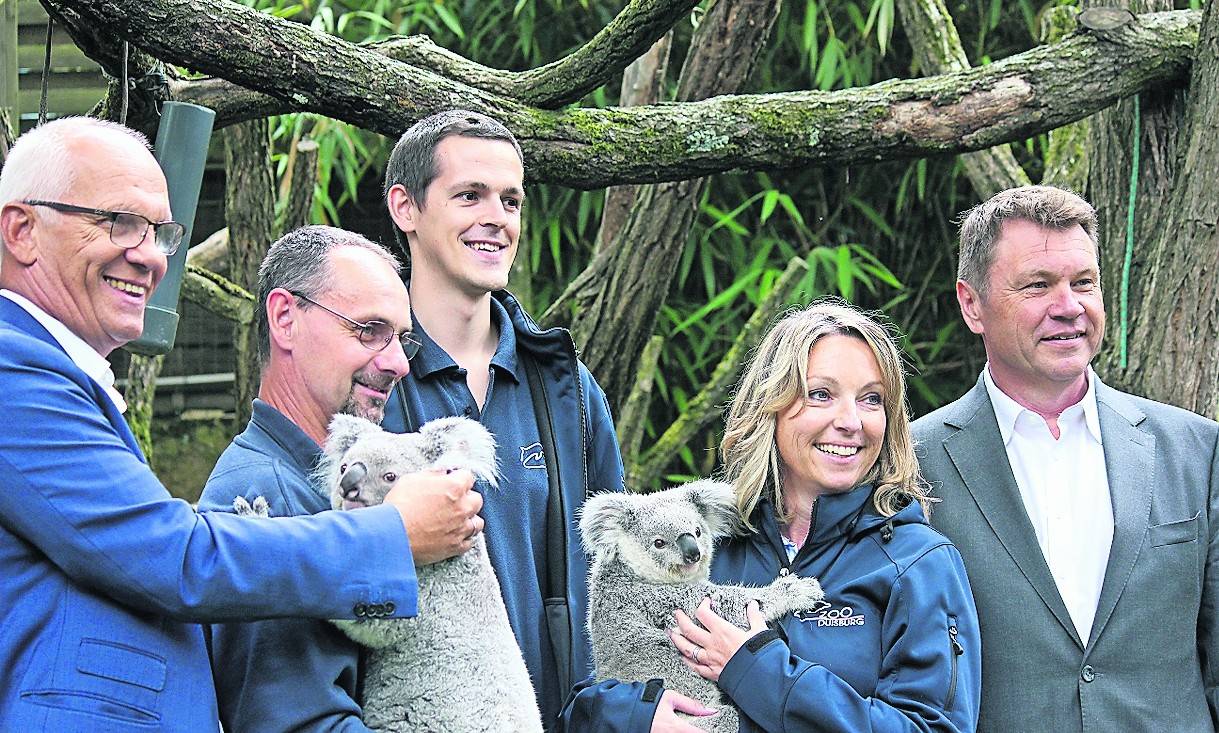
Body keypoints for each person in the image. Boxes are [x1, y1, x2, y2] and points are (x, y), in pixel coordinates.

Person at [0, 117, 473, 731]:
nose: (149, 256)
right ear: (21, 230)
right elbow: (172, 557)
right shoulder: (14, 370)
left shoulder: (56, 376)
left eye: (160, 233)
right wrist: (392, 534)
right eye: (119, 222)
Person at [564, 300, 981, 732]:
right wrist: (638, 717)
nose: (851, 421)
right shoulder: (706, 547)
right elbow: (587, 700)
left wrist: (758, 667)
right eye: (821, 394)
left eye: (871, 399)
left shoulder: (917, 563)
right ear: (771, 406)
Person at [913, 184, 1219, 732]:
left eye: (1084, 283)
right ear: (971, 304)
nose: (1069, 307)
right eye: (1038, 285)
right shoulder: (912, 464)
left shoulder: (1196, 451)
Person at [381, 109, 626, 728]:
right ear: (405, 209)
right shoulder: (370, 381)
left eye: (511, 201)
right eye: (470, 195)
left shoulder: (564, 387)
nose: (497, 217)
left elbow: (619, 578)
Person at [196, 225, 484, 731]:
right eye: (369, 330)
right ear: (285, 319)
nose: (397, 363)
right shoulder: (265, 496)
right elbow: (298, 722)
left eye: (403, 340)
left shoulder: (338, 481)